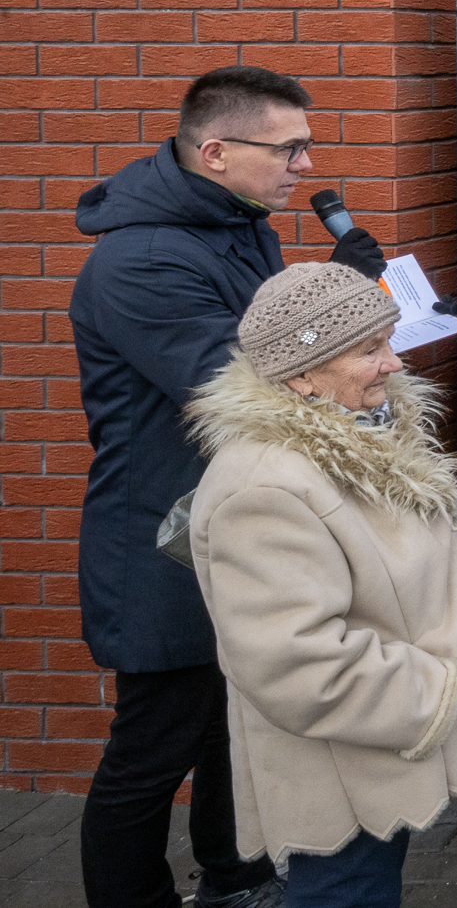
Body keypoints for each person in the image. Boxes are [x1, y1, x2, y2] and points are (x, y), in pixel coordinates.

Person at [70, 64, 380, 908]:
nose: (305, 167)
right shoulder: (140, 263)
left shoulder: (241, 224)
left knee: (233, 723)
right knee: (151, 751)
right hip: (162, 545)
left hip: (236, 522)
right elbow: (237, 376)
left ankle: (233, 873)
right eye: (290, 148)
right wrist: (348, 310)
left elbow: (272, 344)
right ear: (215, 150)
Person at [187, 262, 457, 904]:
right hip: (346, 768)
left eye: (388, 340)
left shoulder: (363, 435)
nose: (393, 363)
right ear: (302, 373)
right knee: (344, 889)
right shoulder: (265, 487)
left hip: (376, 753)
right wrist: (436, 693)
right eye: (370, 349)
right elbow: (293, 661)